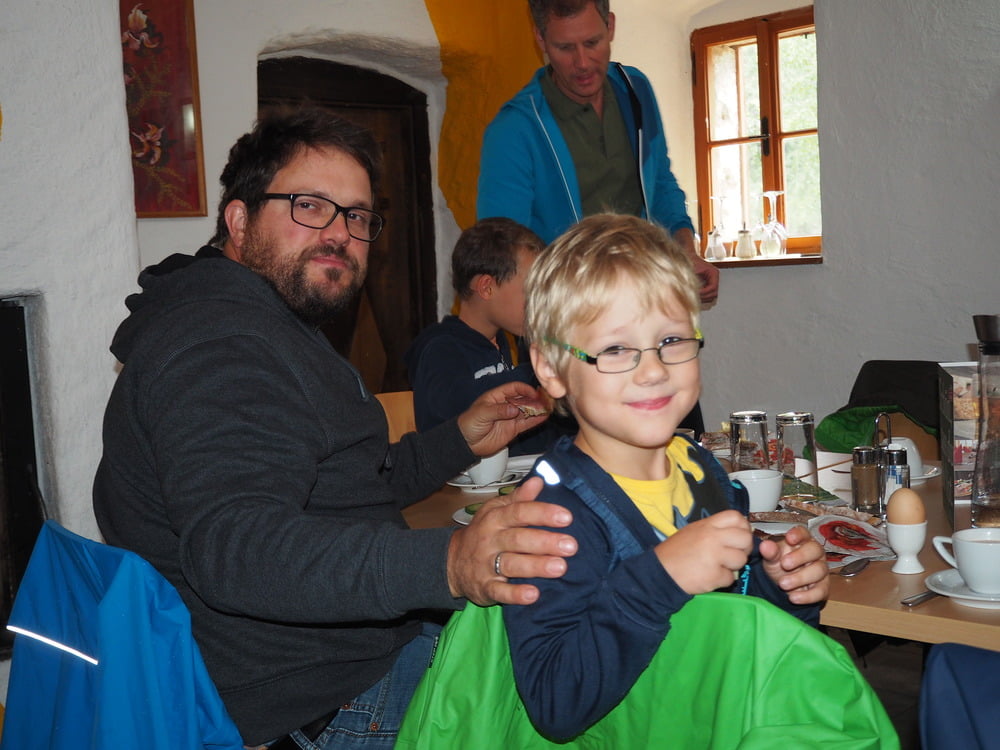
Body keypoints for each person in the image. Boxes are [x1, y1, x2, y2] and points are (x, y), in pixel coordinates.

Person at [92, 107, 579, 749]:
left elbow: (341, 487)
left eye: (357, 216)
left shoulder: (265, 324)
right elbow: (237, 549)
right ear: (239, 220)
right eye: (310, 206)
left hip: (346, 655)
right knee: (587, 689)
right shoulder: (221, 344)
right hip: (326, 700)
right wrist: (448, 561)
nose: (340, 234)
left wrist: (458, 438)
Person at [502, 214, 829, 740]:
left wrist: (784, 587)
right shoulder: (551, 515)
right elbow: (554, 703)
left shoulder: (703, 470)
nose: (653, 370)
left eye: (672, 339)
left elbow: (735, 620)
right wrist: (660, 578)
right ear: (550, 369)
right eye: (615, 349)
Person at [476, 0, 718, 436]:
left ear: (611, 26)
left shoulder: (635, 90)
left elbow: (661, 183)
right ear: (540, 39)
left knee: (678, 446)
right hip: (576, 334)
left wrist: (685, 254)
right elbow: (501, 249)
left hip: (648, 312)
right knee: (595, 462)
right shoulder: (515, 130)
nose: (583, 62)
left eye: (592, 42)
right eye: (565, 47)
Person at [405, 217, 565, 455]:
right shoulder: (439, 348)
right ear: (487, 288)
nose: (541, 303)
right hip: (455, 476)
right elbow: (457, 404)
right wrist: (541, 370)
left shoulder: (501, 342)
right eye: (532, 290)